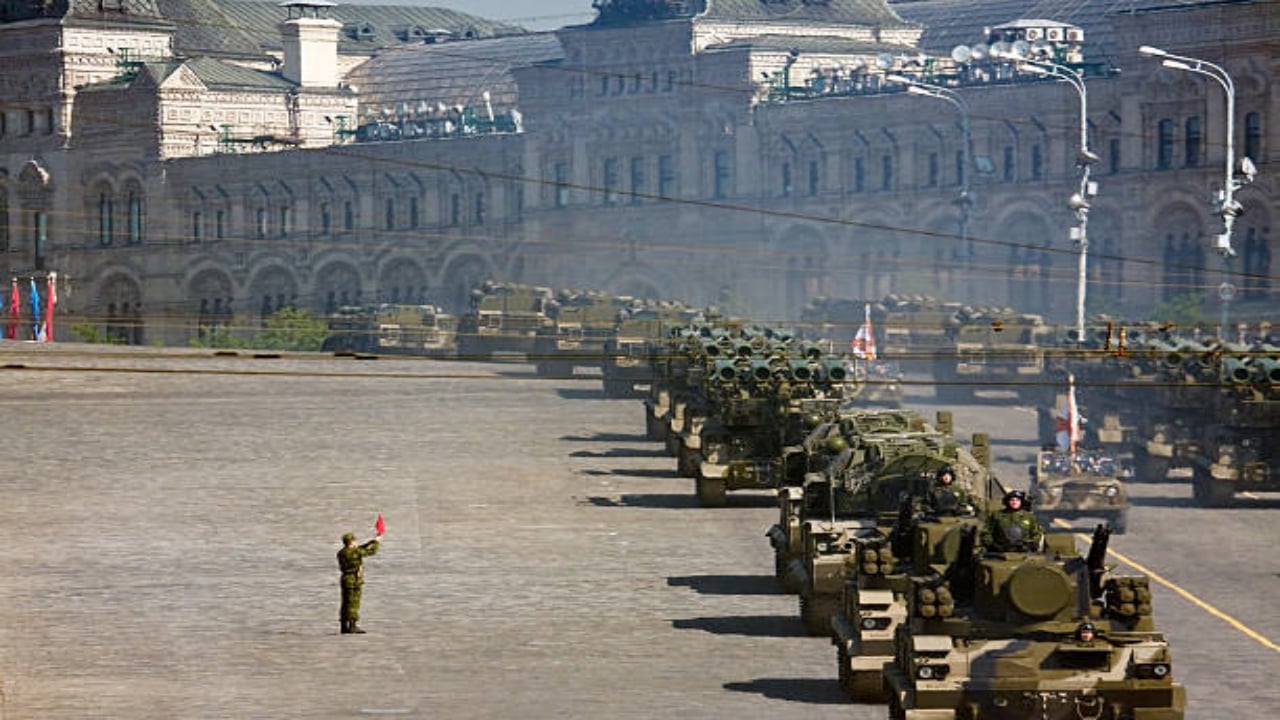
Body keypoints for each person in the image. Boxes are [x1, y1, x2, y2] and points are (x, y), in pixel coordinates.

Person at [337, 531, 382, 634]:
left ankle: (343, 626)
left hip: (345, 579)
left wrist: (370, 541)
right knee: (354, 603)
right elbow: (372, 552)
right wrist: (377, 542)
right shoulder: (355, 552)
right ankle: (352, 626)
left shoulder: (341, 552)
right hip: (354, 579)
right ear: (352, 542)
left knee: (345, 603)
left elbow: (358, 549)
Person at [980, 490, 1044, 552]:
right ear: (1007, 501)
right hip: (1001, 551)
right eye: (1012, 500)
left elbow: (1036, 533)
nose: (1014, 502)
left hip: (1024, 552)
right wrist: (992, 545)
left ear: (1021, 502)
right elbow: (986, 532)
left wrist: (1031, 544)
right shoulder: (997, 515)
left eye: (1017, 500)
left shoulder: (1029, 517)